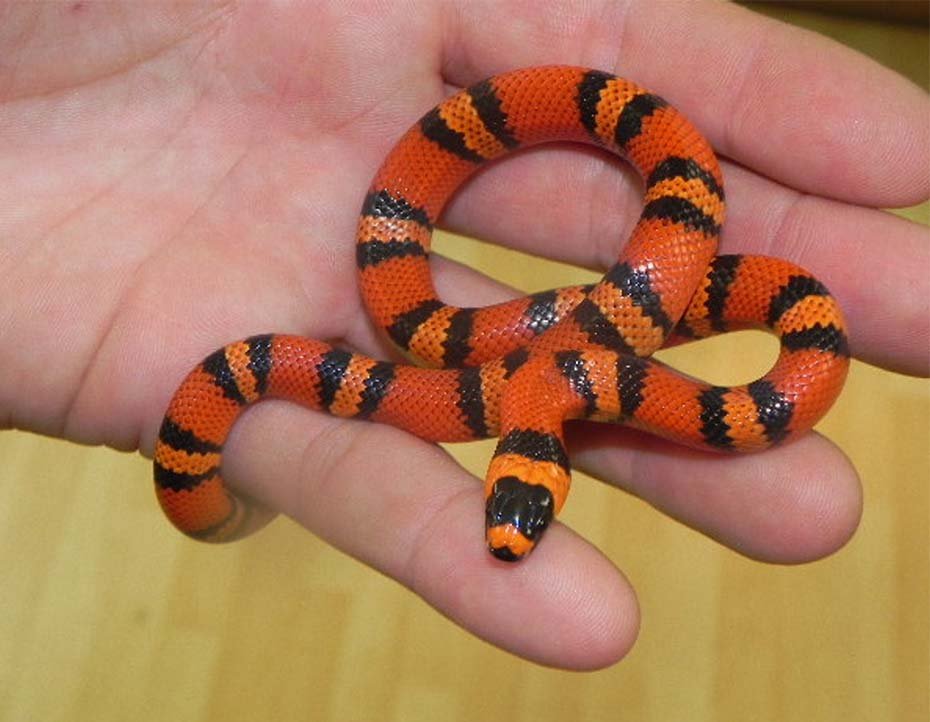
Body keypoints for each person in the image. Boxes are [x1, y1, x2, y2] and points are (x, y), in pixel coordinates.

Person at [0, 1, 926, 669]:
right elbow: (566, 372)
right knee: (438, 327)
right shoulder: (540, 390)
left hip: (544, 348)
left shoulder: (535, 391)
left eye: (507, 507)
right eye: (523, 510)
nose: (513, 524)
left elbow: (557, 375)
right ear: (539, 471)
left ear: (509, 469)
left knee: (446, 330)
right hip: (541, 345)